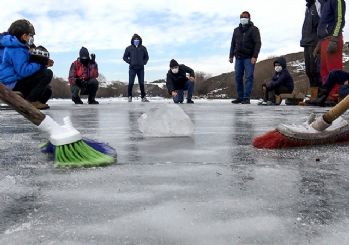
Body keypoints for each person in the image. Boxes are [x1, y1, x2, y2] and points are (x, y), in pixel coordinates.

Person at [0, 19, 53, 110]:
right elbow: (23, 71)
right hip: (11, 85)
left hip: (16, 82)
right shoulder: (15, 49)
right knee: (47, 73)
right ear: (24, 36)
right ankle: (30, 101)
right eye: (30, 35)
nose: (32, 38)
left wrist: (42, 62)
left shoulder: (21, 47)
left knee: (47, 91)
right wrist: (41, 64)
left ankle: (22, 99)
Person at [229, 11, 261, 104]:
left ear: (249, 18)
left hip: (249, 58)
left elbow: (257, 43)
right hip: (238, 57)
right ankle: (240, 97)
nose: (243, 18)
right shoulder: (236, 30)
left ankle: (246, 98)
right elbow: (232, 44)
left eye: (245, 17)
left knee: (249, 77)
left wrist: (254, 56)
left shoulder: (254, 29)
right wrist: (231, 56)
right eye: (242, 17)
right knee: (238, 77)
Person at [317, 0, 346, 103]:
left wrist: (334, 38)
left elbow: (340, 19)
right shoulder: (325, 3)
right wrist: (319, 43)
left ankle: (335, 96)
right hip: (324, 40)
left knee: (333, 70)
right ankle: (327, 94)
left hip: (333, 39)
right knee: (323, 70)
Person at [299, 0, 322, 104]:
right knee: (309, 71)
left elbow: (322, 22)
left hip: (315, 42)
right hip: (306, 42)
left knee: (315, 70)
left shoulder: (318, 4)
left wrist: (320, 41)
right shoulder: (307, 7)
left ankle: (321, 95)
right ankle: (314, 96)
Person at [123, 33, 149, 102]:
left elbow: (146, 57)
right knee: (131, 82)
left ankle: (143, 97)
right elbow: (124, 57)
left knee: (141, 83)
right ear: (132, 40)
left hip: (141, 68)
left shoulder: (143, 48)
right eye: (135, 39)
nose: (136, 40)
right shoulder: (129, 48)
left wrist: (144, 62)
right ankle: (129, 96)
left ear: (140, 40)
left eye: (137, 39)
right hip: (132, 68)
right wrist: (130, 61)